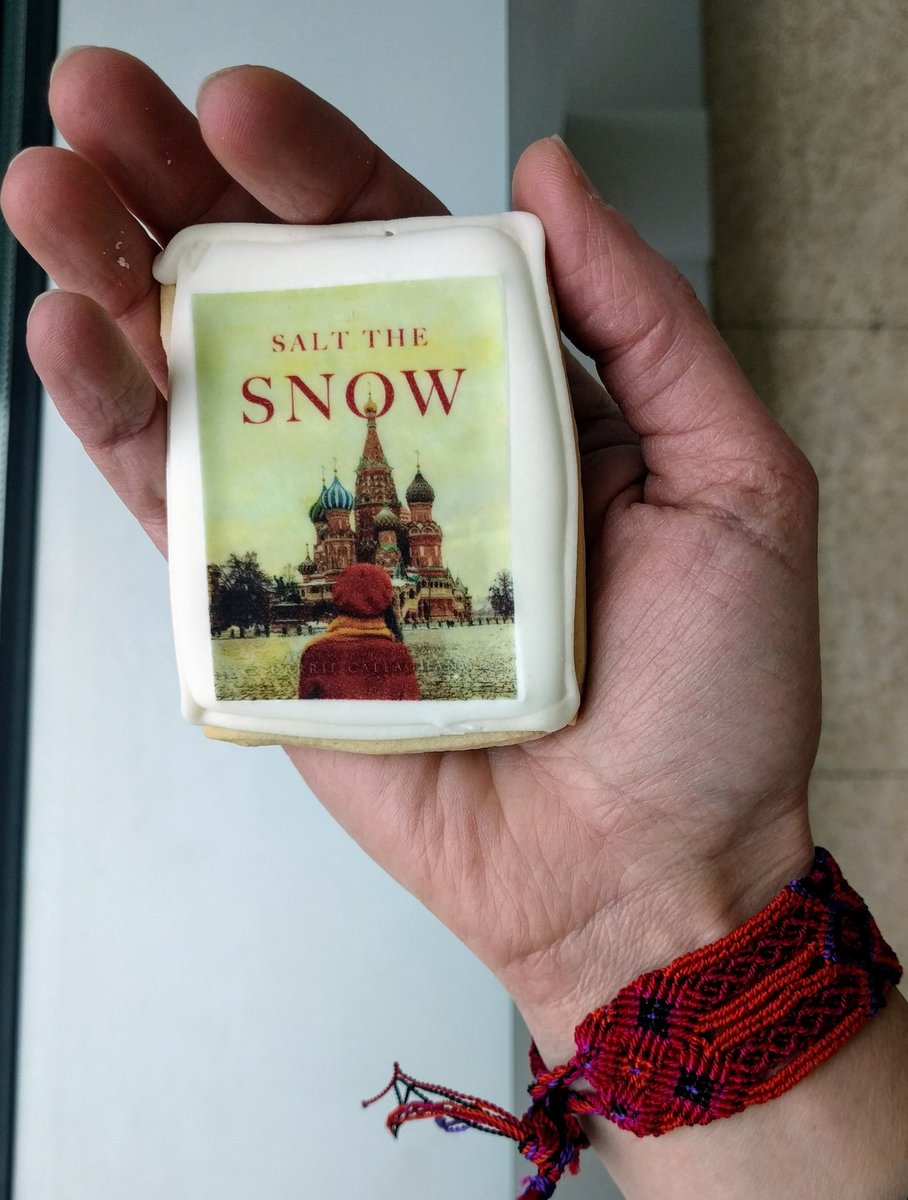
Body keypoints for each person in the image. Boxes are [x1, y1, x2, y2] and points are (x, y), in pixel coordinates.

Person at [2, 47, 906, 1200]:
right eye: (364, 541)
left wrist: (655, 920)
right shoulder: (348, 563)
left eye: (385, 534)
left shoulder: (400, 558)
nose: (377, 546)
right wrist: (661, 927)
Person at [297, 563, 420, 699]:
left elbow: (307, 709)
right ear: (386, 600)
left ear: (338, 596)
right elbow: (410, 705)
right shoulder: (398, 654)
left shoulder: (315, 652)